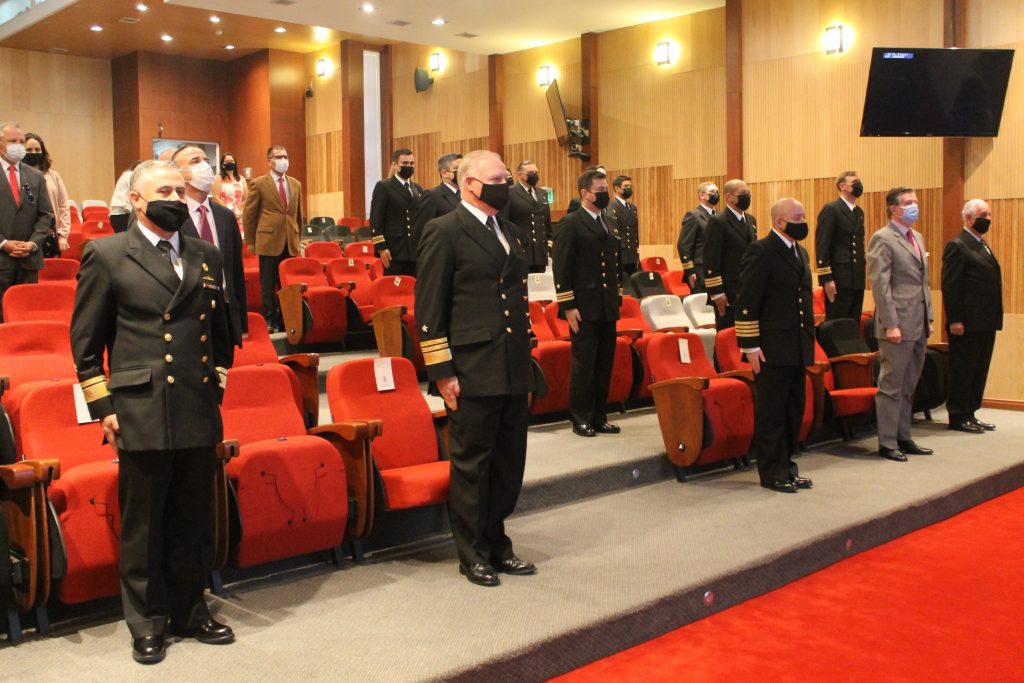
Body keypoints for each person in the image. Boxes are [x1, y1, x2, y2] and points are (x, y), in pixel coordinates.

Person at [70, 160, 234, 665]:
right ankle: (146, 621)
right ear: (137, 200)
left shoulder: (205, 254)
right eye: (164, 191)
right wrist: (104, 407)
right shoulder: (107, 254)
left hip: (195, 403)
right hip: (140, 406)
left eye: (180, 191)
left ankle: (190, 609)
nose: (176, 199)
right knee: (143, 524)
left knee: (193, 518)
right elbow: (85, 346)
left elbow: (222, 335)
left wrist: (215, 385)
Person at [414, 150, 536, 588]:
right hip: (472, 366)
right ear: (470, 183)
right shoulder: (444, 230)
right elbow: (429, 307)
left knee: (508, 462)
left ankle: (497, 542)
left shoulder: (508, 230)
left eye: (506, 178)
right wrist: (442, 371)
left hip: (511, 363)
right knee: (472, 465)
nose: (506, 185)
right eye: (498, 179)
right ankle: (472, 552)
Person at [735, 198, 816, 494]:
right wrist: (750, 345)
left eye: (804, 216)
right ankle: (771, 472)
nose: (803, 222)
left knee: (793, 411)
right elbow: (747, 300)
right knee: (772, 413)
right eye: (798, 217)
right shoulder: (761, 250)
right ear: (780, 221)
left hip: (797, 344)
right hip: (771, 346)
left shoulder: (800, 252)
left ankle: (788, 467)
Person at [552, 168, 622, 438]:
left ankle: (600, 416)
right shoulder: (571, 223)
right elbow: (562, 267)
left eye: (606, 190)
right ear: (585, 193)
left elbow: (613, 264)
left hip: (606, 304)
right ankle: (581, 417)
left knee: (605, 363)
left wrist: (616, 296)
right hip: (583, 305)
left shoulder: (608, 221)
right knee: (584, 365)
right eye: (600, 191)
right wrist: (568, 306)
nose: (604, 194)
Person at [867, 186, 934, 462]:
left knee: (909, 384)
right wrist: (890, 324)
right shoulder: (882, 238)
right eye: (908, 202)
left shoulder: (917, 236)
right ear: (894, 208)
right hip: (896, 323)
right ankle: (887, 441)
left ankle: (904, 436)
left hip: (918, 321)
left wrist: (929, 316)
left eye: (915, 201)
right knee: (891, 385)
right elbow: (880, 285)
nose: (914, 206)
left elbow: (922, 282)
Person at [172, 144, 247, 349]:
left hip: (224, 314)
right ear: (179, 173)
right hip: (187, 316)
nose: (204, 166)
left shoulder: (226, 216)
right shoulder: (171, 217)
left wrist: (241, 321)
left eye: (206, 160)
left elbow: (236, 271)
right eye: (195, 161)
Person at [941, 198, 1001, 434]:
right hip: (966, 322)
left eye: (988, 214)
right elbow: (951, 285)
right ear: (968, 218)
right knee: (963, 369)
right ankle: (958, 415)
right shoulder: (957, 245)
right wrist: (955, 319)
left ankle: (970, 412)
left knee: (979, 369)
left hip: (985, 320)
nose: (987, 219)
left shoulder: (981, 244)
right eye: (983, 215)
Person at [242, 145, 302, 332]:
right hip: (268, 240)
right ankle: (269, 318)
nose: (283, 160)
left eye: (285, 156)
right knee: (267, 283)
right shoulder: (259, 183)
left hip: (290, 240)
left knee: (287, 283)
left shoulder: (296, 184)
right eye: (279, 157)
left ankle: (285, 319)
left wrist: (298, 238)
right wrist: (250, 241)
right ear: (270, 161)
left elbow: (298, 214)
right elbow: (249, 214)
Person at [0, 121, 53, 319]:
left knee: (26, 316)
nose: (18, 146)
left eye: (21, 141)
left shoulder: (35, 176)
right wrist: (4, 243)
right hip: (1, 258)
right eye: (12, 141)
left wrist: (32, 243)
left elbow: (45, 214)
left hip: (28, 259)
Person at [703, 179, 757, 330]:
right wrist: (716, 293)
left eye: (748, 193)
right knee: (727, 334)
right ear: (729, 197)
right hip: (727, 292)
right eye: (743, 193)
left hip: (747, 288)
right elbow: (711, 259)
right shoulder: (718, 221)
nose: (747, 196)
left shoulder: (751, 220)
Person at [815, 171, 866, 320]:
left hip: (857, 278)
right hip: (839, 278)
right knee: (837, 324)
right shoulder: (832, 209)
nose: (859, 185)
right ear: (842, 186)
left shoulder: (859, 212)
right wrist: (826, 278)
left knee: (853, 323)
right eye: (854, 182)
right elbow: (822, 245)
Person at [370, 148, 421, 276]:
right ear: (395, 165)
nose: (409, 166)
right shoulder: (384, 186)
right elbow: (376, 219)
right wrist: (381, 248)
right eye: (405, 163)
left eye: (412, 163)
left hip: (415, 250)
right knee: (396, 285)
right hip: (395, 250)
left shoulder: (417, 188)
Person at [499, 160, 552, 273]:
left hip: (540, 252)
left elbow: (547, 221)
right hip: (521, 251)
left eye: (536, 172)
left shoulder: (542, 193)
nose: (535, 175)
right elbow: (504, 222)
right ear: (520, 175)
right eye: (531, 172)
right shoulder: (510, 193)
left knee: (540, 283)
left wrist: (549, 242)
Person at [24, 132, 71, 255]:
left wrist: (62, 235)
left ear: (43, 151)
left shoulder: (53, 176)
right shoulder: (18, 176)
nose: (33, 153)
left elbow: (64, 206)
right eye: (29, 150)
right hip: (26, 236)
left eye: (37, 149)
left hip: (51, 234)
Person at [411, 152, 461, 251]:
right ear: (444, 173)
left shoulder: (468, 194)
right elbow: (421, 232)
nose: (463, 172)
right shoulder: (432, 195)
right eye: (457, 169)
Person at [677, 181, 719, 292]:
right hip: (700, 272)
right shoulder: (693, 215)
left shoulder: (719, 215)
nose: (716, 194)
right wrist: (690, 271)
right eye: (712, 191)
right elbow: (683, 245)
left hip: (717, 270)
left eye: (717, 191)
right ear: (701, 195)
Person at [607, 175, 639, 282]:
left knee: (634, 284)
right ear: (617, 188)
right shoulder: (611, 206)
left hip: (632, 254)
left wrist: (637, 251)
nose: (629, 189)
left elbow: (635, 231)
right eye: (625, 186)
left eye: (630, 186)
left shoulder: (633, 208)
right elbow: (613, 232)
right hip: (621, 253)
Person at [211, 152, 247, 233]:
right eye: (227, 161)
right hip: (224, 214)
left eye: (231, 161)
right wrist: (229, 212)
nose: (230, 163)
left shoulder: (241, 179)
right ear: (223, 165)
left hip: (239, 216)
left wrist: (242, 212)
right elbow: (215, 197)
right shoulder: (218, 178)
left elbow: (246, 199)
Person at [110, 162, 141, 233]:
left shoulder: (128, 175)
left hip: (124, 214)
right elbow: (135, 189)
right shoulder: (129, 175)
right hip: (121, 214)